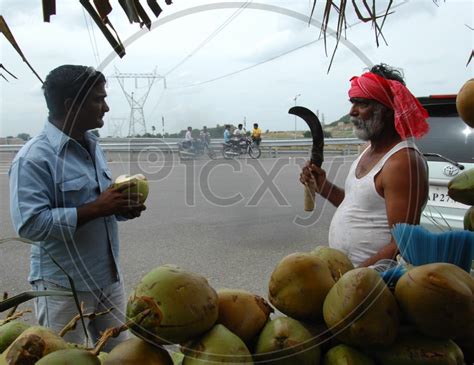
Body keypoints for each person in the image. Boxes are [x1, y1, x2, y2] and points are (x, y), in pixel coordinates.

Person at [9, 65, 146, 350]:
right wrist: (97, 208)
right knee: (62, 356)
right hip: (62, 287)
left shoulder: (93, 144)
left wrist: (120, 207)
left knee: (121, 354)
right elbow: (30, 225)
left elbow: (98, 202)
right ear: (72, 105)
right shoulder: (33, 158)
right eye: (98, 99)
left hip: (107, 279)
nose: (106, 107)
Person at [300, 63, 429, 268]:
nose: (352, 112)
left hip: (375, 283)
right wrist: (323, 185)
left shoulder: (402, 162)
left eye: (362, 104)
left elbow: (403, 243)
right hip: (351, 276)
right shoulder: (368, 151)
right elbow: (357, 205)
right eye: (352, 103)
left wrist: (354, 275)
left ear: (386, 110)